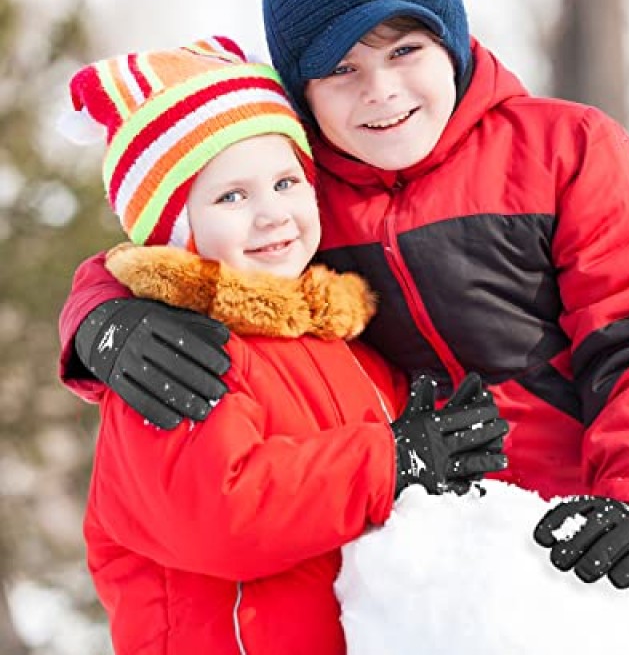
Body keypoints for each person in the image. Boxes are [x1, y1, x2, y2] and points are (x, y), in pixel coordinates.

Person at [58, 0, 629, 653]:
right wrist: (101, 318)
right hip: (470, 565)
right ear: (302, 93)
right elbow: (172, 239)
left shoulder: (564, 149)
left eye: (406, 50)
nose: (381, 91)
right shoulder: (305, 197)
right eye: (342, 69)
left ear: (453, 44)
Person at [60, 35, 508, 654]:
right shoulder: (173, 356)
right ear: (176, 229)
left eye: (286, 183)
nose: (272, 214)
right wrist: (393, 461)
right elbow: (221, 517)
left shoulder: (351, 349)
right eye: (232, 196)